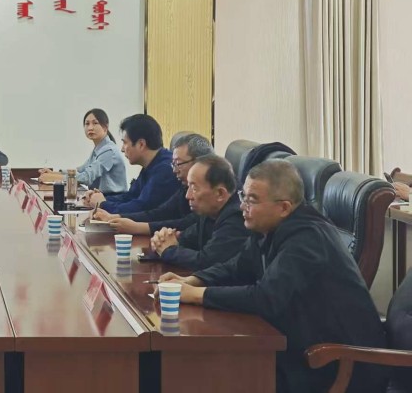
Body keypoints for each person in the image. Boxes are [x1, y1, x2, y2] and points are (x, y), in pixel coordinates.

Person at [160, 160, 387, 393]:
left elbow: (266, 298)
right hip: (301, 348)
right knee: (204, 366)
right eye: (243, 196)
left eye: (252, 200)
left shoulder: (307, 239)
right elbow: (236, 267)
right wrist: (193, 280)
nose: (242, 206)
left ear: (284, 208)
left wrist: (195, 295)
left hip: (337, 365)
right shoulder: (268, 229)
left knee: (214, 372)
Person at [96, 132, 213, 235]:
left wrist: (138, 227)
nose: (174, 170)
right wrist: (115, 217)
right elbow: (162, 212)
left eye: (178, 164)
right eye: (173, 164)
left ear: (200, 163)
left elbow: (189, 223)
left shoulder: (210, 191)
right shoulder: (185, 186)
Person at [149, 155, 248, 270]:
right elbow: (185, 239)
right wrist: (162, 240)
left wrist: (168, 250)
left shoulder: (237, 218)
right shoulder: (209, 213)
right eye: (188, 187)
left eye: (194, 189)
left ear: (220, 193)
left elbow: (206, 262)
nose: (188, 196)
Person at [85, 114, 178, 214]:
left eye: (125, 143)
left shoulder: (165, 169)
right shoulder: (151, 164)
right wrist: (99, 198)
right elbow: (131, 196)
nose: (122, 149)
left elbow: (140, 208)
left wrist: (103, 204)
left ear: (141, 144)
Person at [39, 108, 127, 194]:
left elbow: (86, 177)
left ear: (105, 127)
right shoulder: (99, 149)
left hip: (113, 199)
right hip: (99, 197)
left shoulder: (109, 151)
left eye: (95, 123)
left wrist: (54, 178)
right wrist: (54, 173)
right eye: (87, 124)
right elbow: (80, 171)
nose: (90, 128)